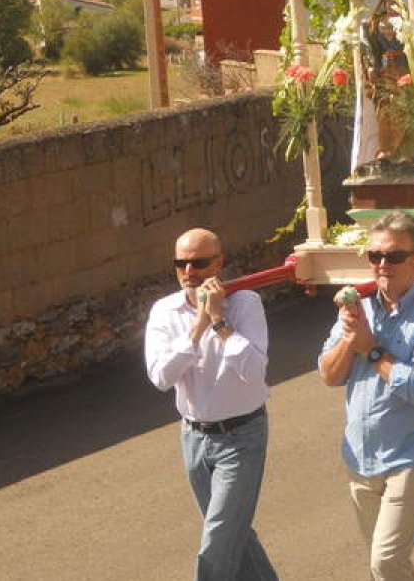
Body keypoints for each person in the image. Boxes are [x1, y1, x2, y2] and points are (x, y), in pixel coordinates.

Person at [317, 212, 414, 580]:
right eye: (375, 256)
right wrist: (350, 340)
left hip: (409, 455)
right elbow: (329, 375)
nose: (382, 265)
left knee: (386, 560)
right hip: (359, 455)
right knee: (383, 564)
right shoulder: (357, 309)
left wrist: (373, 349)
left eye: (393, 256)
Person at [144, 228, 278, 581]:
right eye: (182, 264)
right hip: (194, 439)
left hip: (242, 437)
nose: (190, 272)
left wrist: (219, 322)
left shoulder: (246, 303)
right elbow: (160, 377)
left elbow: (254, 371)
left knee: (218, 541)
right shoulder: (164, 312)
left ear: (219, 262)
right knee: (235, 534)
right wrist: (199, 325)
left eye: (200, 263)